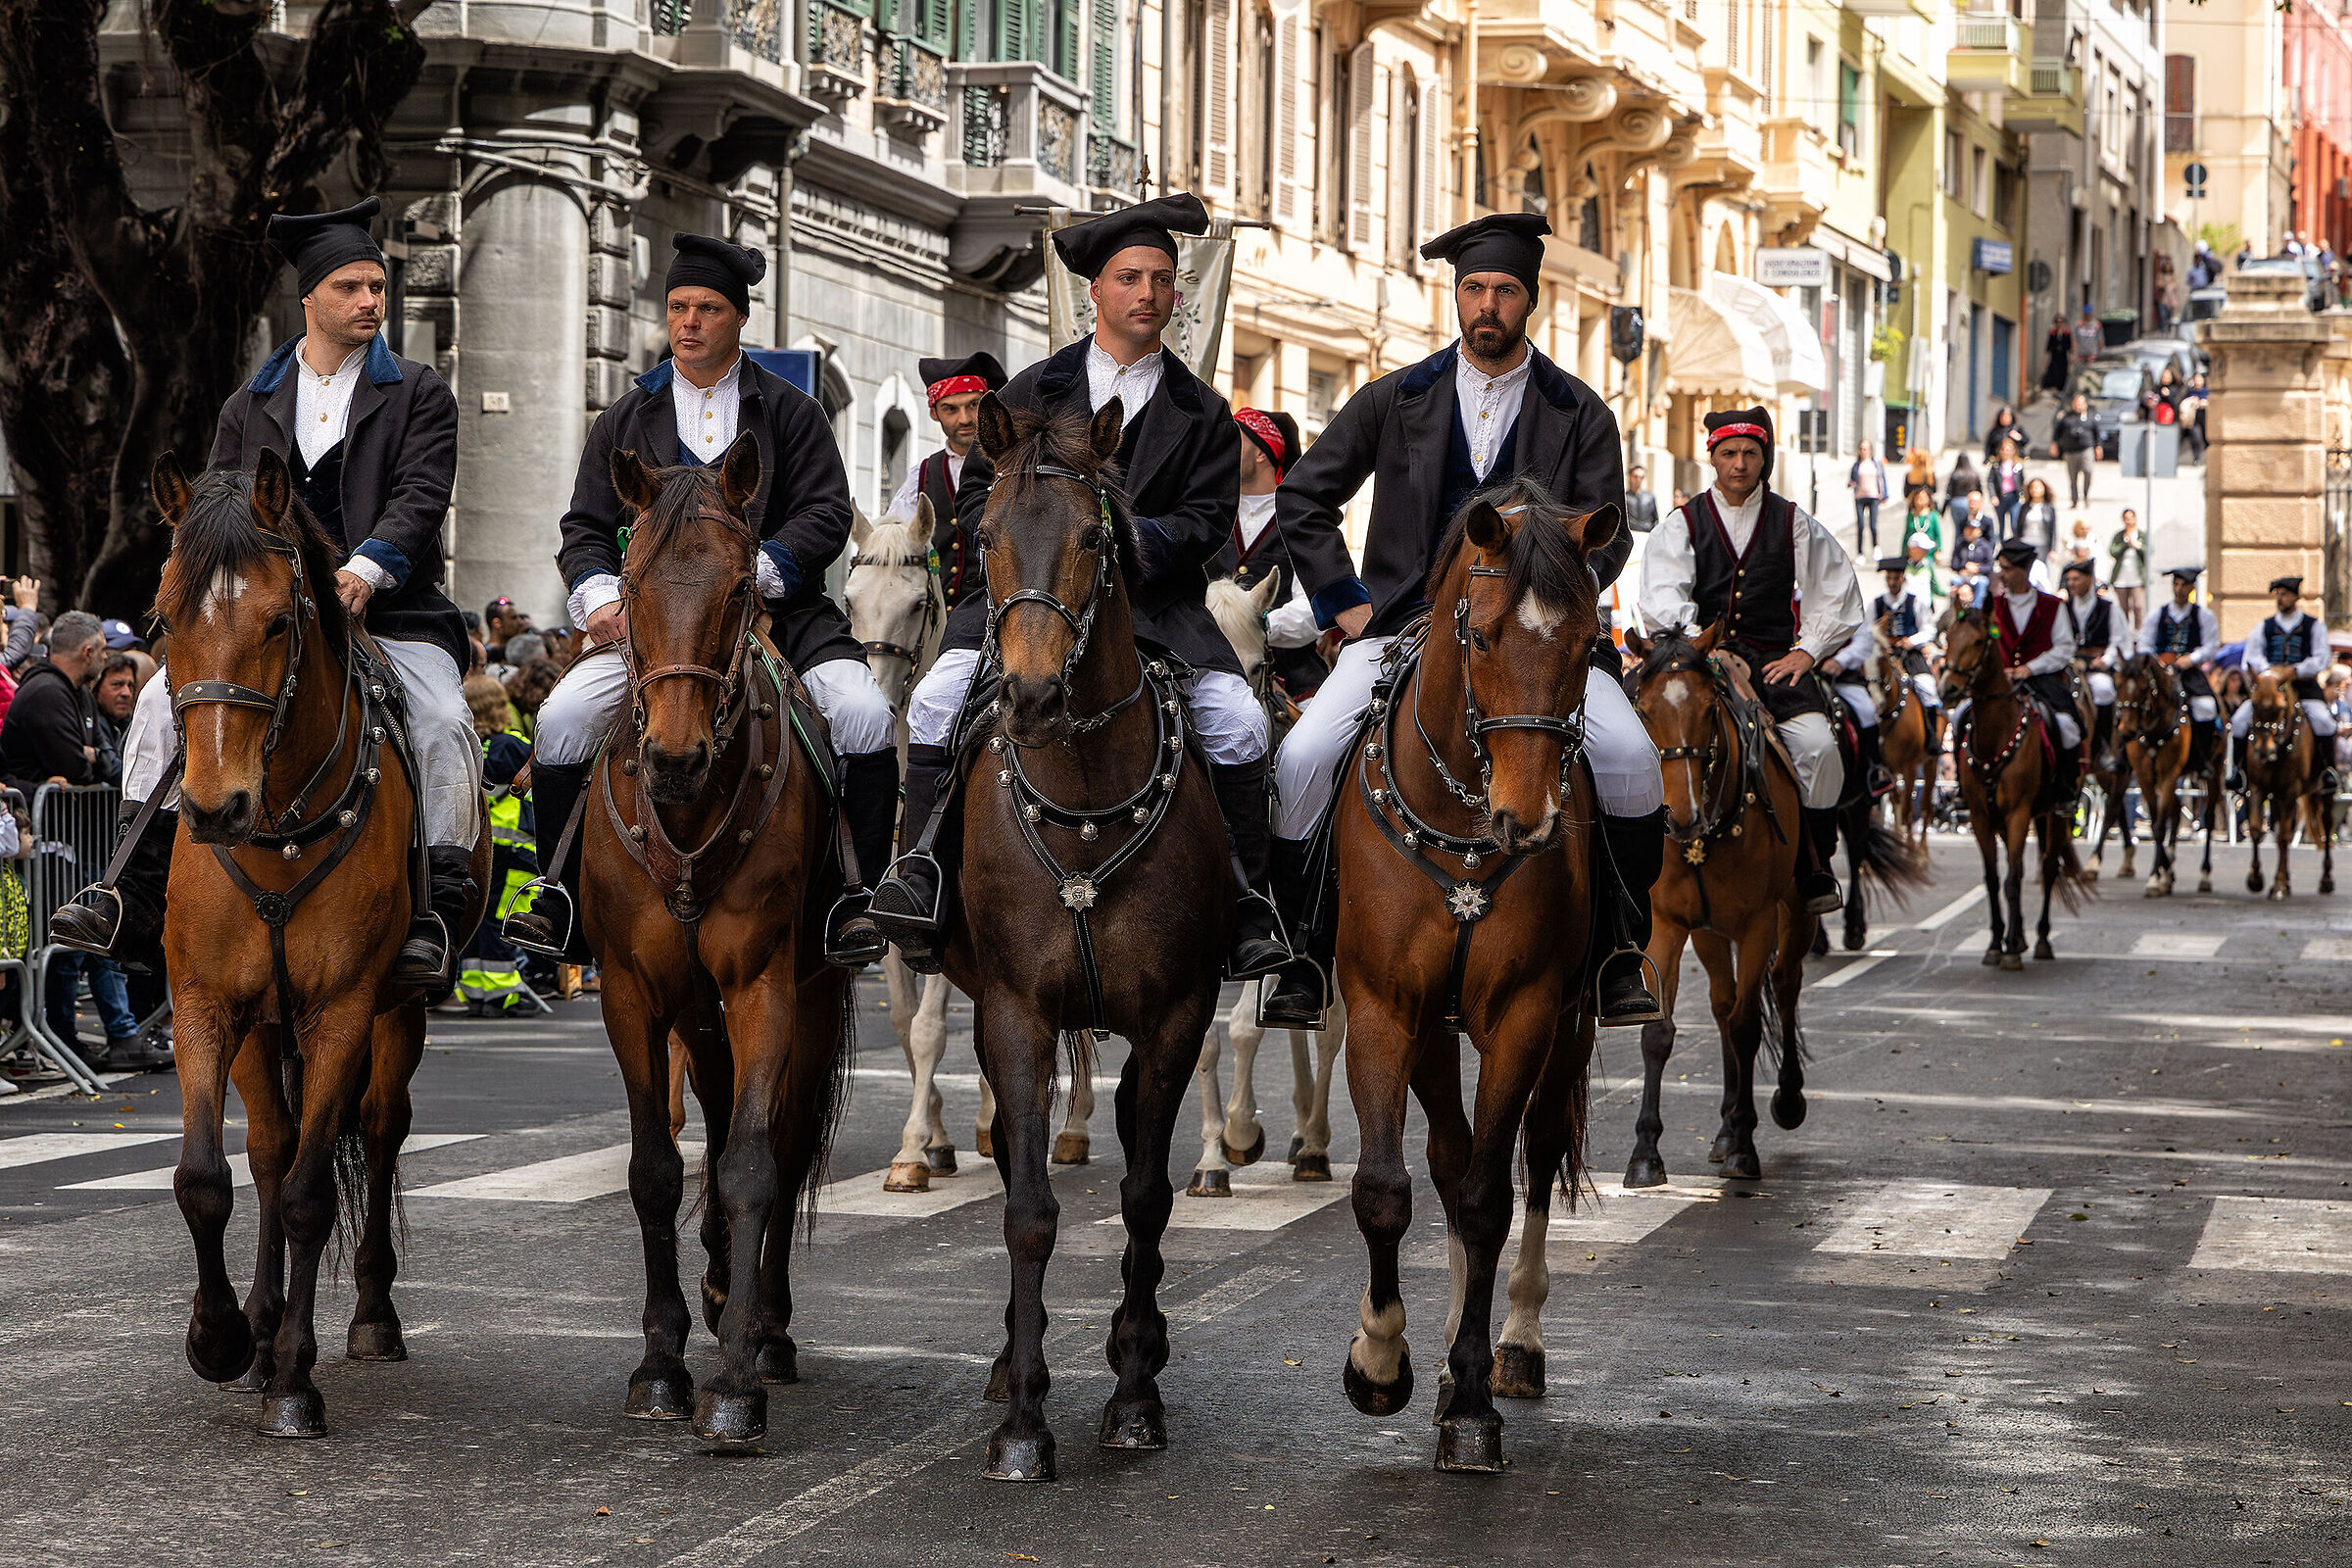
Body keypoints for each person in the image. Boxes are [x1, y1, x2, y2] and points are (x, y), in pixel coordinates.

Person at [55, 199, 481, 989]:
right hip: (265, 619)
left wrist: (367, 568)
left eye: (378, 289)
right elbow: (214, 514)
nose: (370, 304)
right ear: (310, 298)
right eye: (352, 288)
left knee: (446, 720)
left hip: (389, 612)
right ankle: (129, 890)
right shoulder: (248, 404)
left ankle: (436, 909)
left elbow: (423, 496)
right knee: (155, 707)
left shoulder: (421, 392)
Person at [1258, 211, 1666, 1028]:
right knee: (1301, 756)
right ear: (1457, 296)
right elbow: (1304, 496)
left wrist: (1551, 607)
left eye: (1505, 291)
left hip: (1541, 648)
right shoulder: (1394, 396)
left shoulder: (1579, 410)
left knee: (1633, 760)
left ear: (1531, 301)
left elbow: (1606, 536)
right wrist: (1346, 602)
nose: (1488, 305)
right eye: (1474, 288)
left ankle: (1620, 950)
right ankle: (1301, 950)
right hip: (1400, 630)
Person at [870, 194, 1285, 983]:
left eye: (1163, 281)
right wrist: (1034, 551)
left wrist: (1120, 541)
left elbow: (1204, 523)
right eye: (1131, 279)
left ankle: (1248, 898)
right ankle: (919, 868)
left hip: (1153, 611)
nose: (1149, 295)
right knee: (932, 701)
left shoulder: (1202, 411)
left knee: (1237, 721)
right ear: (1095, 291)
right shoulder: (1031, 388)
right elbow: (971, 502)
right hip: (1022, 604)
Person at [503, 231, 901, 967]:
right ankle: (562, 898)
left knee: (863, 715)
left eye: (708, 308)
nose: (689, 321)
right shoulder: (625, 417)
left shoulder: (790, 410)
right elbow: (585, 526)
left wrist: (760, 574)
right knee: (558, 720)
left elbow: (825, 513)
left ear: (738, 319)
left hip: (780, 611)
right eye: (679, 306)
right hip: (650, 625)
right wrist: (598, 601)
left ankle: (858, 898)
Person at [1639, 406, 1862, 912]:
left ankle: (1815, 866)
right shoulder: (1683, 523)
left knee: (1820, 748)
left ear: (1764, 458)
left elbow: (1836, 591)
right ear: (1713, 458)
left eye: (1750, 453)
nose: (1739, 463)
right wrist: (1704, 647)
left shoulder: (1793, 522)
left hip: (1777, 665)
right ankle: (1637, 864)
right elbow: (1662, 597)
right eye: (1729, 453)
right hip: (1701, 661)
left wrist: (1808, 651)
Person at [1213, 408, 1326, 700]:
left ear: (1262, 452)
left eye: (1235, 440)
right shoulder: (1210, 513)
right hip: (1210, 672)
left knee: (1308, 747)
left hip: (1294, 683)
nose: (1224, 448)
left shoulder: (1300, 521)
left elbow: (1313, 610)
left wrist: (1257, 625)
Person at [889, 351, 1007, 617]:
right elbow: (896, 544)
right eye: (950, 409)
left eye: (974, 405)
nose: (964, 419)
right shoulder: (921, 475)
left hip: (1003, 621)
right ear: (934, 412)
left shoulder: (1013, 468)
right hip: (938, 627)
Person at [1980, 538, 2084, 796]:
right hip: (1999, 684)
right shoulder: (1993, 606)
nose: (2001, 575)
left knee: (2068, 728)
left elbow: (2064, 648)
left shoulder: (2052, 606)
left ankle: (2064, 788)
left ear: (2023, 571)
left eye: (2006, 569)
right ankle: (1966, 786)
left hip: (2041, 682)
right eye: (2000, 568)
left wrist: (2030, 668)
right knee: (1962, 716)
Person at [2226, 575, 2338, 791]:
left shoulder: (2313, 626)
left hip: (2303, 688)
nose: (2280, 598)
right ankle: (2238, 772)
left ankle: (2328, 771)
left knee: (2324, 720)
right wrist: (2271, 672)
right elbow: (2251, 657)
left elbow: (2321, 658)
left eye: (2284, 594)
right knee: (2239, 720)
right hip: (2270, 688)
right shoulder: (2264, 626)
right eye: (2277, 594)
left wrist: (2295, 670)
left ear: (2296, 596)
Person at [0, 611, 102, 793]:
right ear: (87, 652)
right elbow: (74, 769)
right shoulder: (45, 692)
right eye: (102, 650)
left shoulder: (83, 693)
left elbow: (107, 749)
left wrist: (99, 756)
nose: (105, 657)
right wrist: (96, 759)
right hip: (38, 813)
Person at [2138, 565, 2222, 770]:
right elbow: (2144, 644)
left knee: (2206, 707)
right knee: (2135, 704)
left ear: (2191, 587)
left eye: (2183, 585)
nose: (2178, 589)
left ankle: (2201, 758)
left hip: (2189, 673)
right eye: (2176, 584)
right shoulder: (2157, 614)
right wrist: (2157, 663)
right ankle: (2131, 754)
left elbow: (2211, 646)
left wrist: (2191, 658)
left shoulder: (2203, 616)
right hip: (2159, 672)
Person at [2060, 561, 2121, 769]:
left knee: (2104, 689)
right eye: (2069, 579)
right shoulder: (2063, 608)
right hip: (2070, 665)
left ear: (2089, 579)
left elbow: (2117, 641)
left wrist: (2105, 660)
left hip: (2096, 666)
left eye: (2076, 579)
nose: (2072, 583)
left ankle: (2104, 745)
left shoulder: (2108, 608)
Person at [2051, 392, 2098, 507]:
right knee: (2073, 478)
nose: (2079, 406)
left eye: (2081, 403)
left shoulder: (2091, 417)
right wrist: (2054, 445)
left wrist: (2098, 447)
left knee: (2088, 471)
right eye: (2077, 403)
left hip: (2086, 449)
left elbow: (2097, 433)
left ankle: (2086, 495)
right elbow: (2057, 432)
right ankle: (2074, 500)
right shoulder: (2066, 417)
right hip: (2070, 451)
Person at [2109, 510, 2149, 626]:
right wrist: (2125, 544)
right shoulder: (2119, 536)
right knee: (2123, 609)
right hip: (2121, 579)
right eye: (2126, 518)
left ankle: (2139, 632)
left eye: (2131, 518)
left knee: (2138, 606)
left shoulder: (2141, 535)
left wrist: (2137, 546)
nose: (2129, 521)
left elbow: (2148, 551)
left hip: (2137, 578)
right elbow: (2113, 551)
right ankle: (2124, 632)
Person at [1848, 439, 1887, 554]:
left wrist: (1884, 495)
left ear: (1870, 450)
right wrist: (1851, 484)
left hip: (1873, 496)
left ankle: (1875, 547)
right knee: (1860, 525)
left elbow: (1882, 479)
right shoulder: (1856, 465)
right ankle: (1860, 552)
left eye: (1865, 449)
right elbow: (1851, 480)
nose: (1863, 451)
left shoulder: (1876, 464)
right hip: (1860, 497)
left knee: (1873, 525)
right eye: (1861, 449)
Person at [1986, 439, 2028, 540]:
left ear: (2013, 451)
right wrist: (1993, 496)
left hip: (2014, 497)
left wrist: (2024, 495)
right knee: (2001, 524)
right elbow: (1990, 481)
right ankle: (2002, 544)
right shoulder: (1996, 465)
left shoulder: (2017, 466)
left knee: (2014, 522)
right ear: (2000, 451)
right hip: (2001, 497)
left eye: (2009, 450)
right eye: (2004, 450)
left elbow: (2022, 481)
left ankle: (2015, 542)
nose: (2006, 452)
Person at [2017, 476, 2059, 559]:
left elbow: (2053, 530)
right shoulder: (2024, 507)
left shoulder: (2049, 508)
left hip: (2042, 544)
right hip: (2026, 543)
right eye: (2032, 487)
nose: (2035, 490)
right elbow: (2018, 527)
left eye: (2038, 487)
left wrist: (2053, 549)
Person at [483, 597, 531, 665]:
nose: (520, 622)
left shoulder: (517, 653)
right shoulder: (482, 656)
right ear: (497, 623)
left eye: (519, 617)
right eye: (513, 618)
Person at [1944, 451, 1982, 538]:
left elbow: (1949, 493)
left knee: (1957, 528)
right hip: (1968, 502)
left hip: (1955, 502)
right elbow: (1979, 490)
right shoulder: (1973, 474)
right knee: (1968, 527)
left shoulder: (1955, 474)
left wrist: (1943, 509)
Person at [1950, 514, 1995, 581]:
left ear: (1979, 532)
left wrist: (1977, 568)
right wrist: (1965, 565)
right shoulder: (1960, 545)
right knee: (1955, 580)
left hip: (1979, 576)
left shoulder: (1985, 546)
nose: (1969, 532)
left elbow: (1990, 566)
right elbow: (1954, 564)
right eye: (1968, 529)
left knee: (1982, 582)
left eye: (1972, 530)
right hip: (1963, 574)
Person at [1623, 464, 1659, 533]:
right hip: (1631, 533)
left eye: (1641, 477)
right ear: (1629, 477)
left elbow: (1655, 519)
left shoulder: (1650, 497)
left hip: (1646, 533)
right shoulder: (1625, 497)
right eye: (1635, 476)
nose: (1638, 480)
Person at [2041, 316, 2072, 395]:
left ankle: (2061, 393)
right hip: (2055, 358)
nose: (2059, 324)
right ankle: (2054, 393)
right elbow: (2048, 348)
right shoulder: (2053, 333)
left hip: (2063, 358)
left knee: (2063, 376)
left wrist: (2072, 360)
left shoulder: (2066, 333)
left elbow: (2070, 348)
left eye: (2061, 322)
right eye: (2057, 322)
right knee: (2054, 376)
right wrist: (2045, 361)